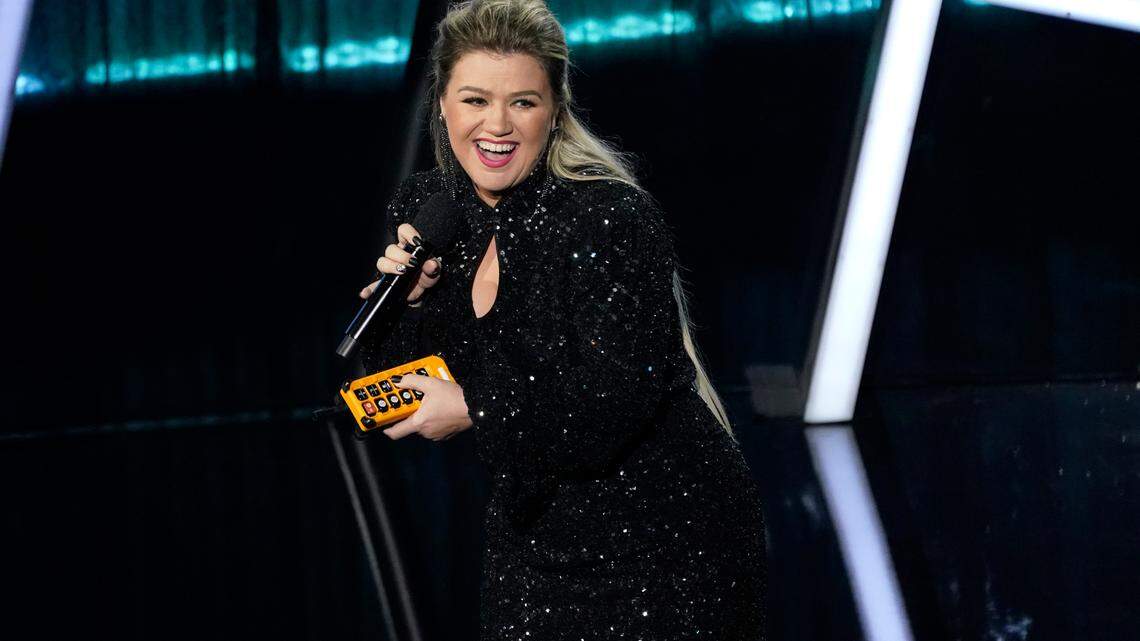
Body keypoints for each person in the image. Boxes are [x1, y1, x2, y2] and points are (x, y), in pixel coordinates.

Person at [358, 0, 767, 638]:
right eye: (474, 100)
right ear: (441, 103)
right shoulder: (429, 208)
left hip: (666, 541)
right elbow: (418, 376)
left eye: (522, 101)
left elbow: (618, 395)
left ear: (555, 110)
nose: (497, 125)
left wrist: (473, 408)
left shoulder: (606, 217)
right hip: (532, 533)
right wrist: (411, 304)